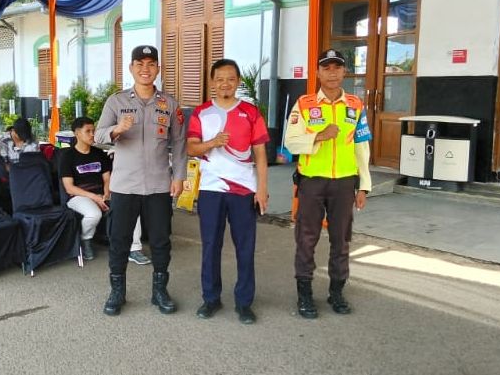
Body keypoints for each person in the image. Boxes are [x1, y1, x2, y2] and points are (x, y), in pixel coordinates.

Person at [95, 44, 187, 316]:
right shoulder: (116, 102)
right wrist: (116, 129)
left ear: (158, 68)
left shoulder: (170, 104)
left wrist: (179, 177)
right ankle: (117, 292)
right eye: (140, 64)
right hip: (125, 185)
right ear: (131, 68)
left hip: (158, 184)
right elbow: (98, 136)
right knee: (119, 239)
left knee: (160, 240)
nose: (145, 69)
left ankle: (160, 291)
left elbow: (179, 143)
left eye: (151, 64)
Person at [284, 49, 372, 319]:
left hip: (344, 183)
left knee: (341, 240)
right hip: (312, 182)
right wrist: (319, 136)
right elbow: (290, 142)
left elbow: (362, 147)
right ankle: (305, 295)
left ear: (344, 72)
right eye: (326, 68)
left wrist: (363, 185)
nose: (332, 73)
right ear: (318, 72)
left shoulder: (355, 105)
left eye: (337, 68)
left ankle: (336, 292)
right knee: (306, 239)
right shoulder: (304, 103)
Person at [186, 59, 269, 325]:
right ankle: (211, 298)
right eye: (220, 79)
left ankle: (244, 302)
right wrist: (212, 143)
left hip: (244, 190)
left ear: (238, 82)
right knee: (211, 245)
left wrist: (262, 189)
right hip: (211, 189)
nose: (225, 84)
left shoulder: (251, 112)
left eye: (231, 79)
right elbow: (191, 148)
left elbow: (260, 154)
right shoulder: (201, 113)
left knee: (245, 247)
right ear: (212, 82)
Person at [59, 117, 112, 262]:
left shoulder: (99, 153)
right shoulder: (67, 157)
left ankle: (128, 245)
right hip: (78, 196)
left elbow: (107, 178)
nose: (92, 134)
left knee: (128, 206)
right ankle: (85, 239)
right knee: (94, 214)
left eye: (93, 131)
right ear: (77, 133)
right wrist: (94, 197)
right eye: (88, 131)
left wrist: (106, 194)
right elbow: (69, 188)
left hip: (101, 193)